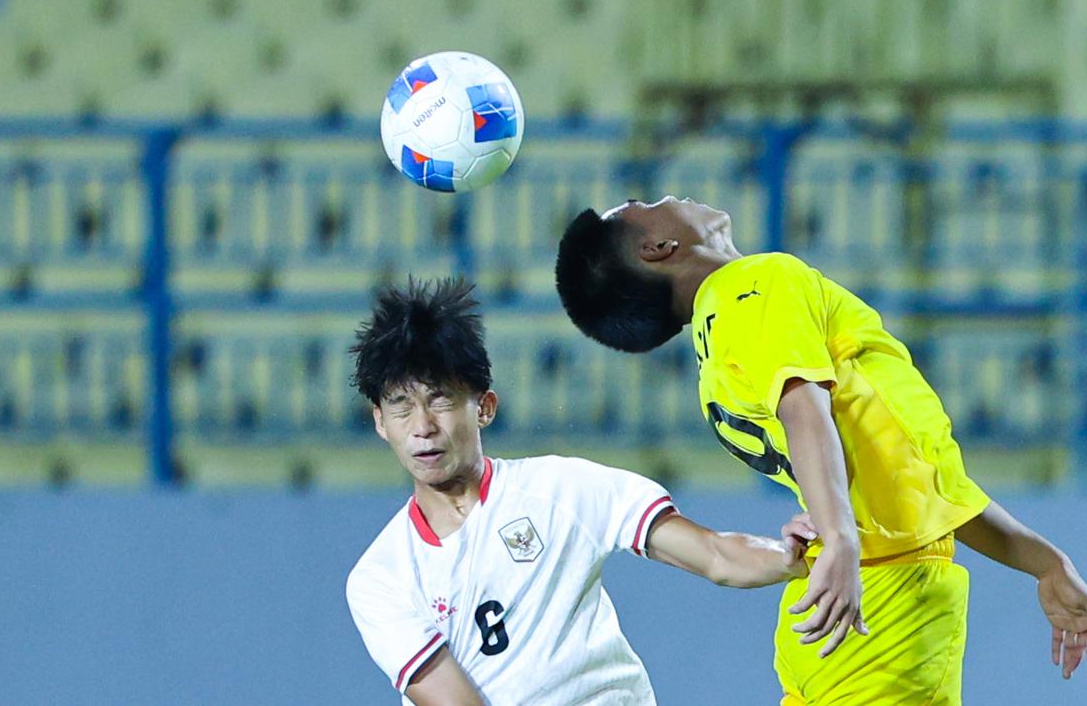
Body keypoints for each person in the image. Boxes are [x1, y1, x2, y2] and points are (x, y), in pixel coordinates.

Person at [555, 196, 1087, 705]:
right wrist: (842, 537)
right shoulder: (756, 282)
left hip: (842, 599)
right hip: (880, 605)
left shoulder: (719, 347)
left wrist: (1043, 563)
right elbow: (806, 409)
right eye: (645, 204)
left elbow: (909, 484)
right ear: (658, 248)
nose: (670, 197)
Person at [345, 277, 817, 706]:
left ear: (484, 407)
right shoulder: (382, 578)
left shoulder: (561, 490)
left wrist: (789, 556)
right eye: (401, 407)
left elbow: (714, 554)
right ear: (380, 422)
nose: (423, 427)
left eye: (441, 400)